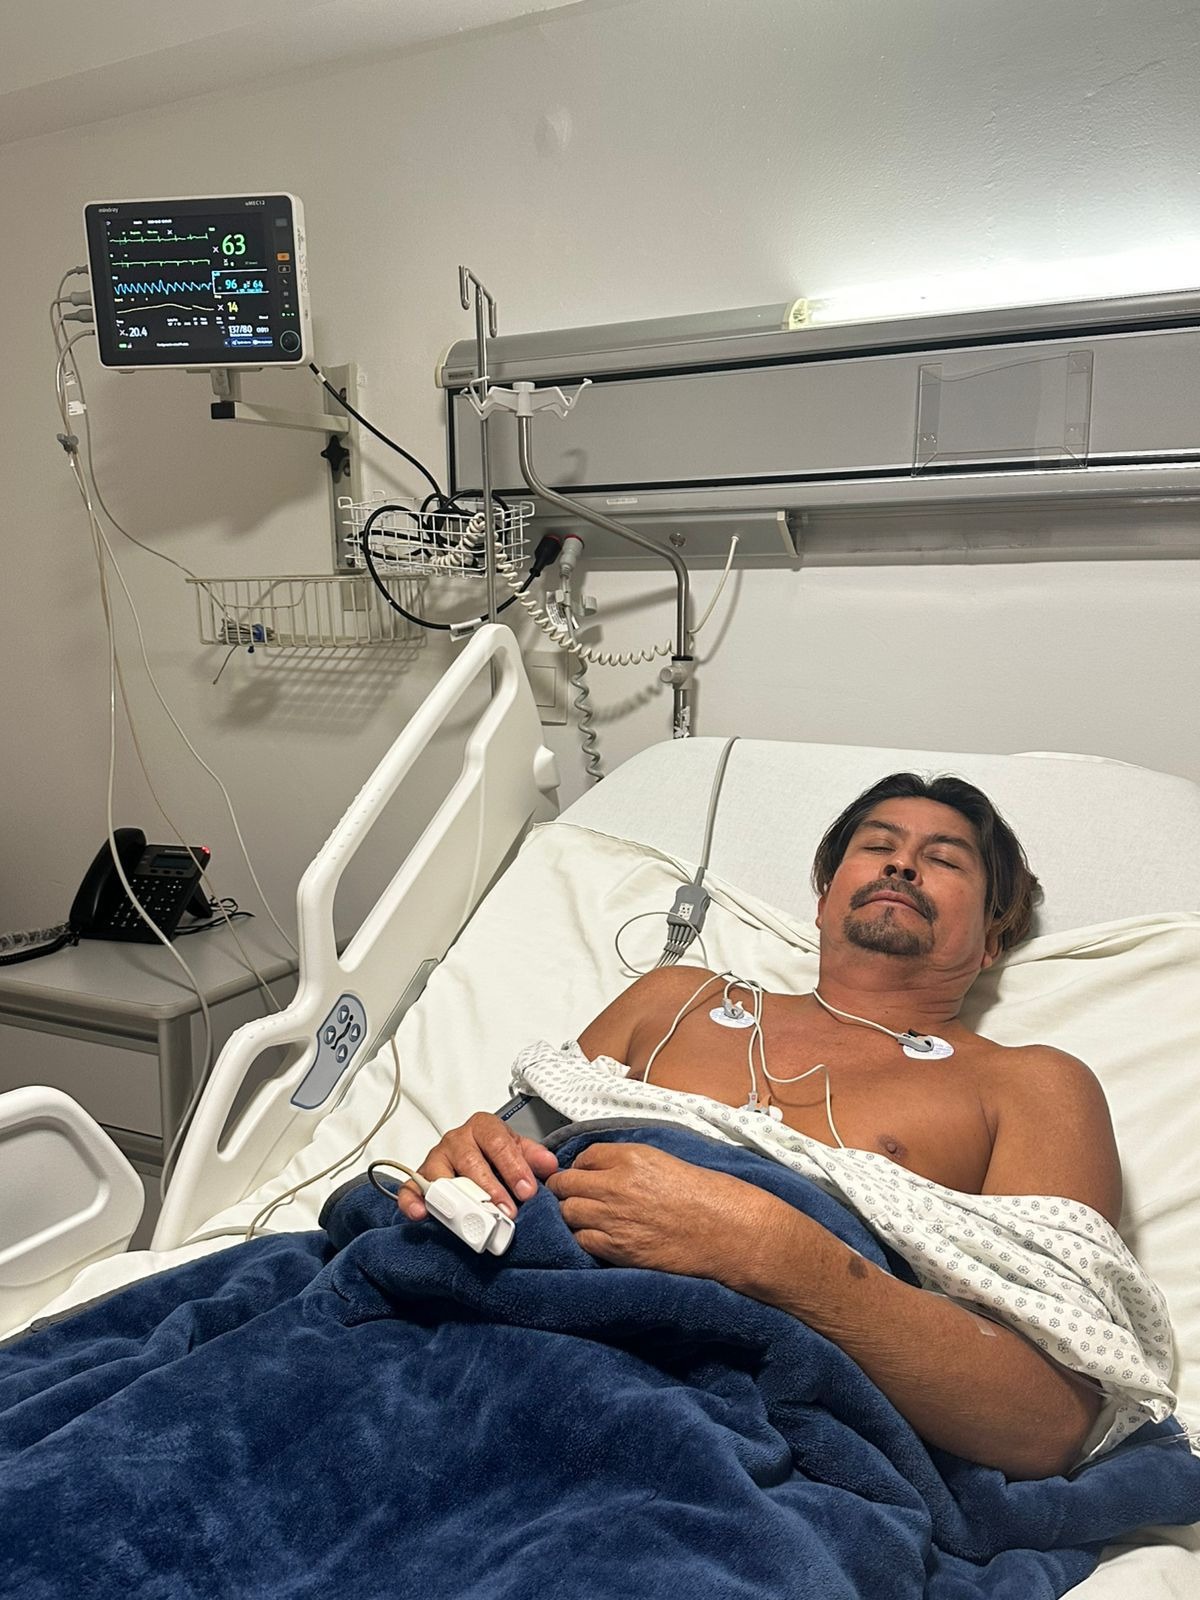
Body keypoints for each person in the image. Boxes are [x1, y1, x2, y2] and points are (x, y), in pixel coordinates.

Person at [397, 773, 1123, 1481]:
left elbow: (1048, 1422)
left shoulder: (1030, 1084)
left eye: (944, 860)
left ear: (993, 938)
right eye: (878, 847)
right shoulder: (671, 1000)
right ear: (823, 902)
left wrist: (770, 1251)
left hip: (727, 1434)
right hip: (490, 1339)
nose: (902, 865)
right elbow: (517, 1151)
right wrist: (471, 1158)